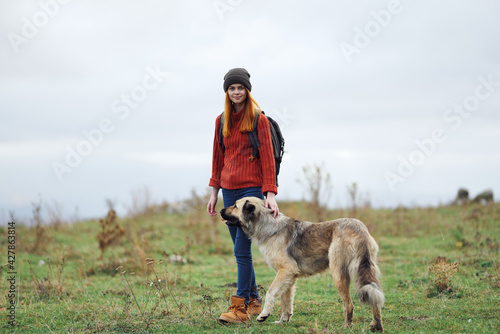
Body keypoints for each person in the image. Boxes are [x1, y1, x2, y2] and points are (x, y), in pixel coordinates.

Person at [207, 68, 279, 324]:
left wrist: (269, 193)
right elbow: (218, 158)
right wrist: (214, 192)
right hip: (229, 191)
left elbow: (268, 159)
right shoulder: (221, 121)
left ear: (247, 90)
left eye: (240, 88)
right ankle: (254, 300)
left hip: (251, 193)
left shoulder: (259, 119)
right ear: (226, 92)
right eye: (231, 88)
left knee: (241, 249)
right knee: (240, 249)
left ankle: (239, 307)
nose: (236, 92)